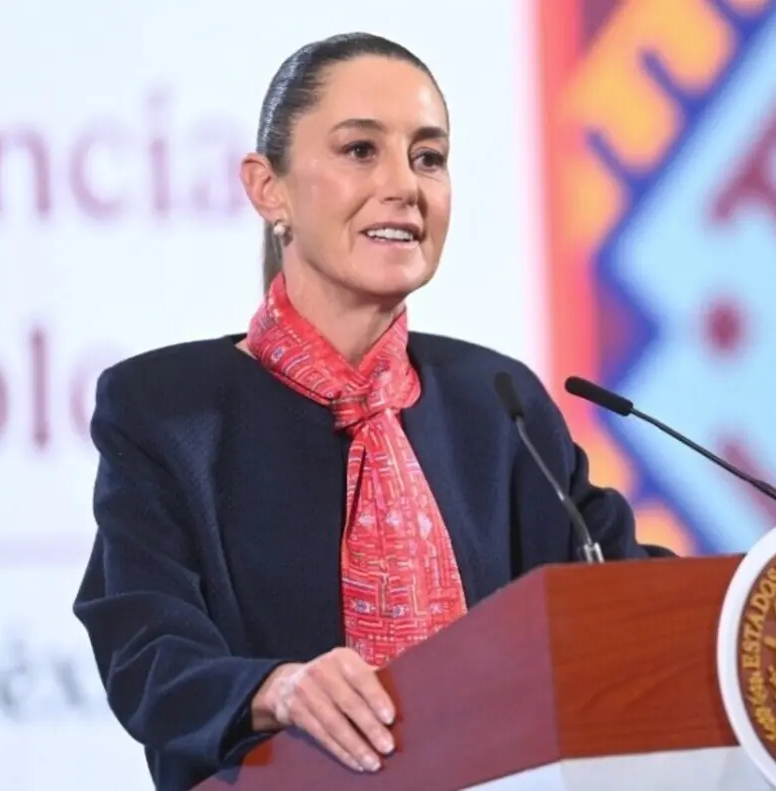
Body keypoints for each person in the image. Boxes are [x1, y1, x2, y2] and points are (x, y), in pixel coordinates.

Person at [72, 32, 670, 791]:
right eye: (360, 151)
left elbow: (625, 601)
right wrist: (277, 688)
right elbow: (148, 652)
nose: (404, 186)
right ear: (269, 189)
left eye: (428, 157)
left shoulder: (498, 401)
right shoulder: (168, 411)